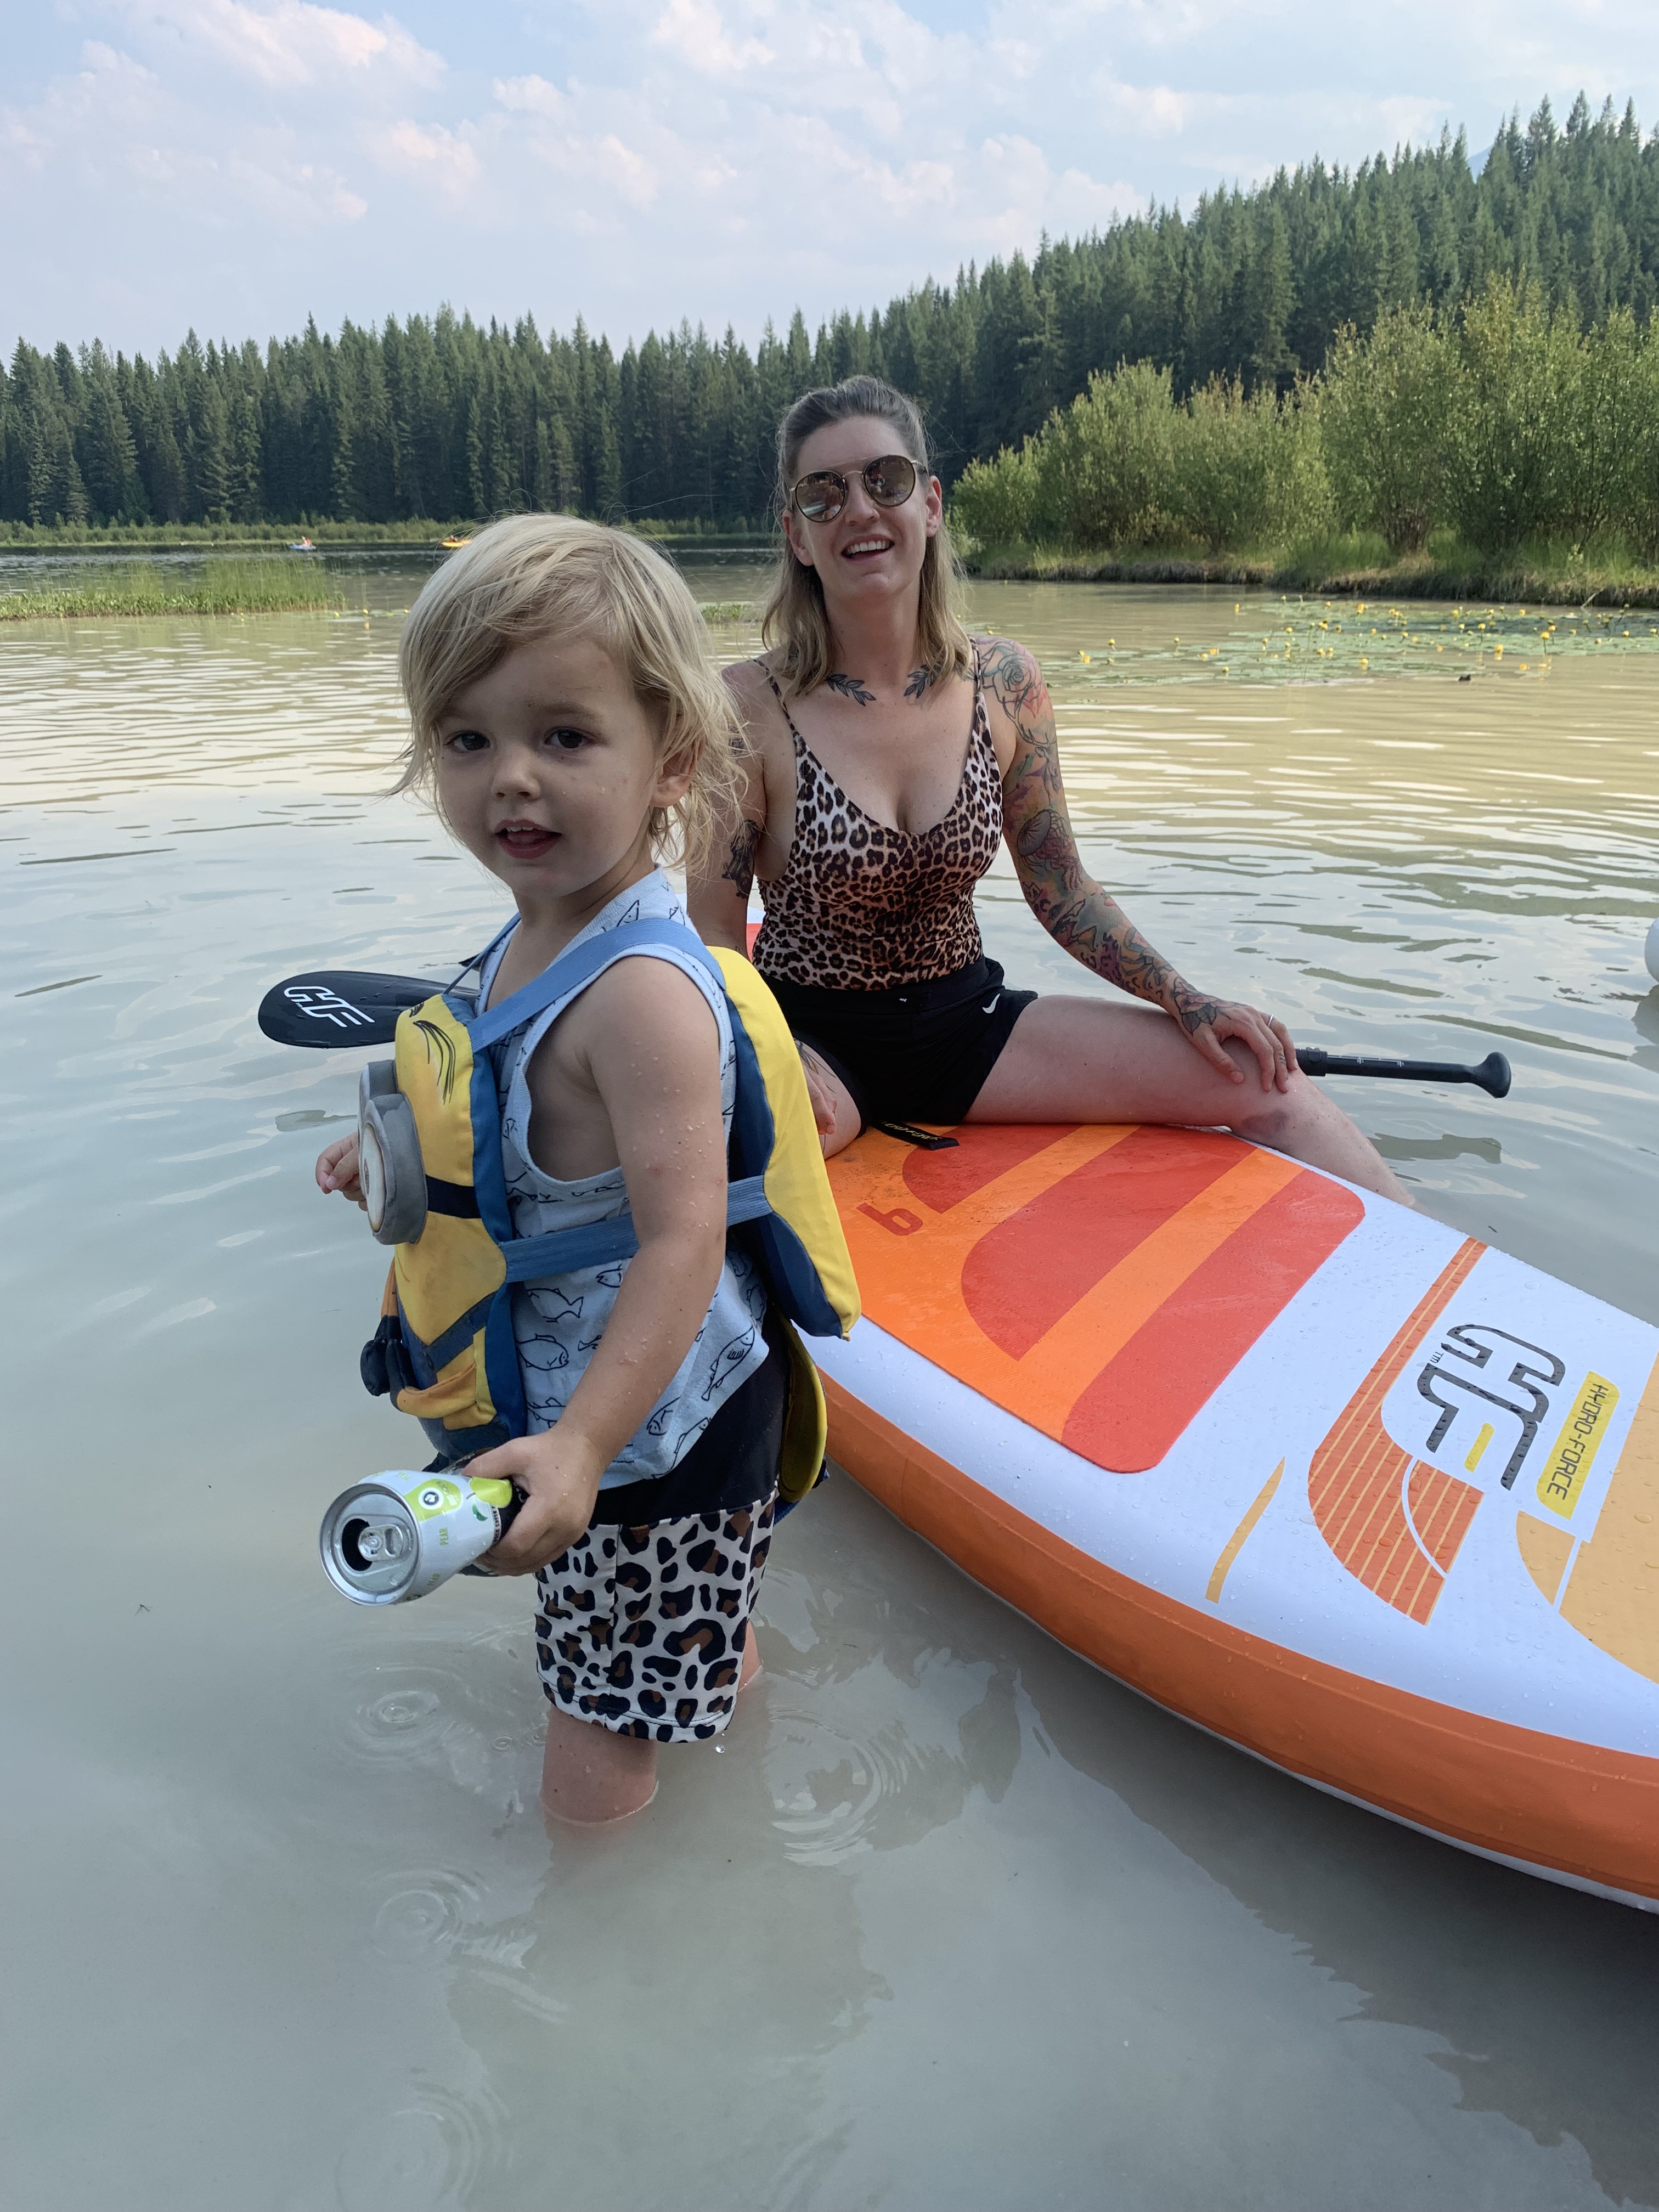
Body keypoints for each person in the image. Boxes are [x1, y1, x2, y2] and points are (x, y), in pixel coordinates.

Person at [315, 515, 803, 1826]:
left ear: (672, 758)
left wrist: (584, 1446)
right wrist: (392, 1156)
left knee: (593, 1718)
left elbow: (682, 1240)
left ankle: (596, 1932)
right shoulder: (536, 932)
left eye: (566, 737)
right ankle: (737, 1756)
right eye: (468, 739)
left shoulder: (639, 993)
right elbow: (514, 1124)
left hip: (646, 1433)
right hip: (647, 1418)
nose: (511, 780)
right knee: (684, 1634)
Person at [690, 375, 1411, 1206]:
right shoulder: (745, 706)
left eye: (885, 480)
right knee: (748, 1160)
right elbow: (714, 937)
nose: (859, 509)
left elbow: (1061, 888)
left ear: (930, 504)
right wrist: (769, 1053)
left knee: (1256, 1075)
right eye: (824, 493)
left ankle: (1434, 1248)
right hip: (813, 1038)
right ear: (796, 533)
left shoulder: (1006, 681)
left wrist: (1184, 998)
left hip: (969, 1027)